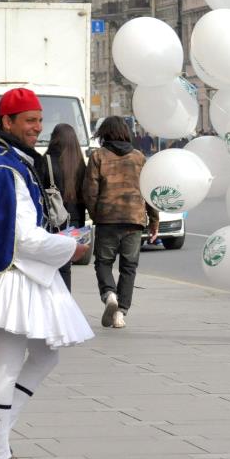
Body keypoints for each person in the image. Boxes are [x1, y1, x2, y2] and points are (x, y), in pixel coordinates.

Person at [0, 88, 93, 459]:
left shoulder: (7, 161)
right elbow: (25, 237)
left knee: (45, 355)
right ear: (7, 123)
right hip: (12, 275)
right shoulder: (5, 168)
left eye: (39, 120)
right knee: (8, 360)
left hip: (16, 273)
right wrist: (72, 246)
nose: (38, 128)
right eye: (29, 121)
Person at [83, 116, 158, 330]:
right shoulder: (139, 158)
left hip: (108, 218)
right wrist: (153, 219)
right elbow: (148, 189)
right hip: (134, 219)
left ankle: (109, 295)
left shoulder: (98, 157)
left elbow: (90, 191)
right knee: (129, 267)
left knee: (103, 262)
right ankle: (121, 313)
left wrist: (96, 214)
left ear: (104, 133)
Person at [43, 122, 87, 291]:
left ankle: (50, 305)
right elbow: (84, 197)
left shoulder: (45, 161)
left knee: (48, 266)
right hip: (74, 222)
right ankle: (65, 304)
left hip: (52, 222)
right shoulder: (79, 164)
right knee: (66, 267)